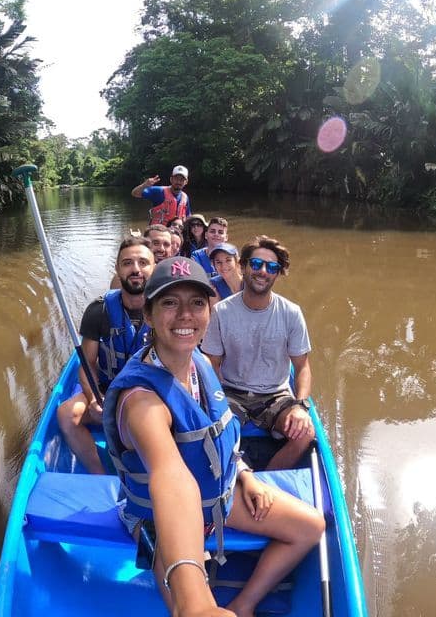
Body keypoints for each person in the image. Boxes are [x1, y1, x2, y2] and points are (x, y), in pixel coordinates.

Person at [103, 257, 324, 617]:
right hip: (163, 521)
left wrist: (245, 476)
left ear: (210, 311)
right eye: (170, 303)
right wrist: (196, 604)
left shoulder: (200, 365)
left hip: (217, 499)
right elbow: (170, 479)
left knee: (310, 526)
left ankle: (245, 603)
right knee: (185, 608)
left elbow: (220, 438)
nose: (185, 315)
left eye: (197, 303)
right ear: (150, 312)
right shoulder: (142, 401)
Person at [201, 236, 314, 471]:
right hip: (232, 392)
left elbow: (302, 367)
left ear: (277, 273)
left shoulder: (291, 313)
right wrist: (214, 401)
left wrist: (300, 406)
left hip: (276, 395)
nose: (263, 271)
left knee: (305, 433)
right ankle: (241, 475)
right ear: (243, 266)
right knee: (206, 431)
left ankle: (267, 481)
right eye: (256, 264)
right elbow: (212, 364)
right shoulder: (221, 312)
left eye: (271, 267)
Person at [56, 237, 155, 474]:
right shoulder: (98, 310)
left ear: (154, 268)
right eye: (127, 263)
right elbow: (87, 363)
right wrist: (93, 399)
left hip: (150, 392)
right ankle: (100, 475)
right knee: (67, 414)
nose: (136, 269)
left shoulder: (166, 307)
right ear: (118, 269)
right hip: (108, 389)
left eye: (143, 262)